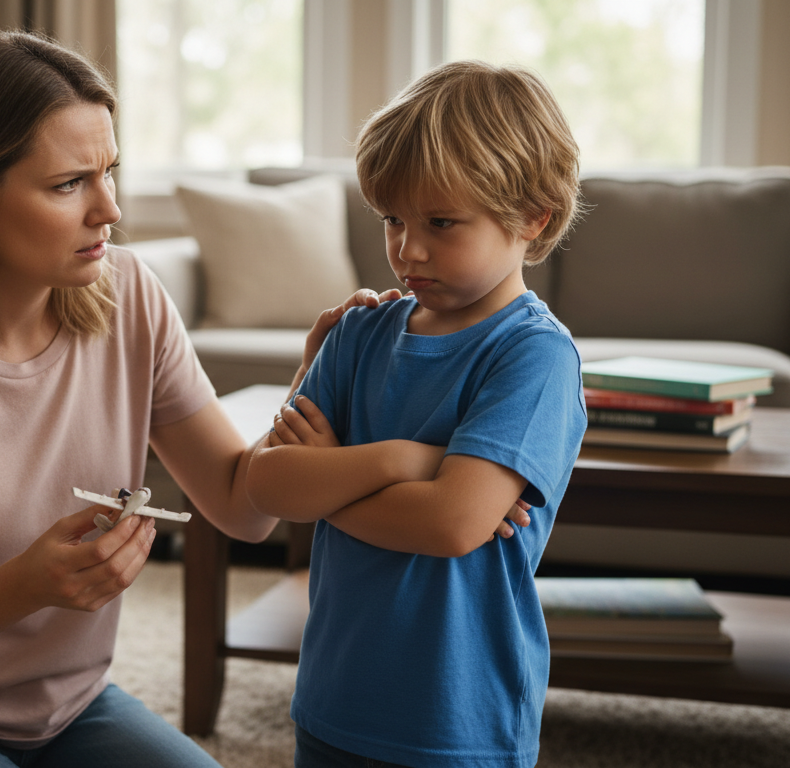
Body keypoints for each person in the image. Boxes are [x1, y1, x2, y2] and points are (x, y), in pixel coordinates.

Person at [0, 29, 414, 768]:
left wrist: (320, 378)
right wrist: (25, 586)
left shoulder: (129, 295)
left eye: (108, 172)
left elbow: (244, 506)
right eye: (67, 184)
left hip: (66, 713)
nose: (108, 210)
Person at [245, 60, 588, 768]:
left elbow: (450, 524)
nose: (409, 248)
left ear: (532, 218)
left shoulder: (534, 357)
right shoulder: (360, 331)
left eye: (440, 222)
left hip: (456, 721)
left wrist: (329, 478)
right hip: (334, 699)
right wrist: (404, 460)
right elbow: (267, 487)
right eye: (392, 219)